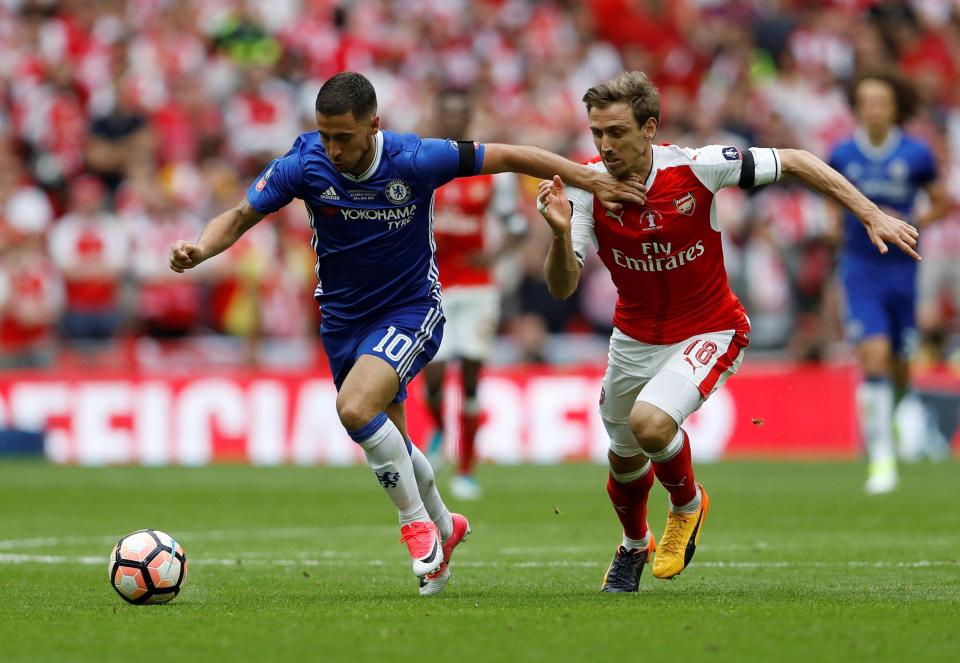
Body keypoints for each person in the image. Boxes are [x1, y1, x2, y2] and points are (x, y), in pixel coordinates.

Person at [169, 72, 645, 596]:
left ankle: (416, 525)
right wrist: (199, 248)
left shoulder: (415, 159)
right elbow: (239, 216)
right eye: (325, 134)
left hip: (410, 308)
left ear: (374, 125)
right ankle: (447, 525)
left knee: (354, 409)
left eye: (344, 136)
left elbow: (511, 155)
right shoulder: (303, 164)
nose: (333, 148)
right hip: (342, 322)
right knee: (391, 437)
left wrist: (588, 178)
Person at [535, 71, 920, 593]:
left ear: (650, 128)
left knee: (651, 426)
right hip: (632, 338)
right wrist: (559, 236)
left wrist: (871, 214)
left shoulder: (698, 168)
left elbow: (798, 161)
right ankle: (632, 545)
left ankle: (687, 505)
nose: (606, 146)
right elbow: (562, 288)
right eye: (597, 133)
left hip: (710, 329)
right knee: (623, 458)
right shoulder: (583, 188)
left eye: (618, 132)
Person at [828, 71, 948, 493]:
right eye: (866, 101)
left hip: (903, 268)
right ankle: (882, 459)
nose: (874, 108)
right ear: (857, 107)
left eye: (882, 101)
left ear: (894, 106)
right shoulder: (842, 153)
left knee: (899, 365)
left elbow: (942, 202)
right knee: (874, 356)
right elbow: (831, 198)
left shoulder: (916, 154)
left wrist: (910, 224)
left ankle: (890, 419)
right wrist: (838, 233)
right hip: (861, 268)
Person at [423, 90, 528, 500]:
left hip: (478, 289)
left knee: (469, 379)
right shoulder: (426, 168)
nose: (451, 122)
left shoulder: (489, 172)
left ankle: (466, 468)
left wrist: (495, 255)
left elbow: (517, 226)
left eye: (457, 116)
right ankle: (438, 430)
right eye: (444, 115)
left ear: (466, 121)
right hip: (434, 286)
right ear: (438, 119)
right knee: (432, 377)